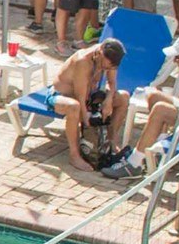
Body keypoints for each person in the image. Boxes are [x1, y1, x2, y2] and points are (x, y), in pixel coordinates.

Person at [51, 38, 132, 175]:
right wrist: (87, 121)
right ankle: (74, 155)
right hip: (64, 95)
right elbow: (80, 97)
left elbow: (112, 83)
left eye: (110, 68)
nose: (107, 69)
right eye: (106, 66)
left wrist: (108, 100)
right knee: (74, 107)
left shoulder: (111, 59)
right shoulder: (83, 61)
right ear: (100, 53)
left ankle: (111, 142)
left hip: (89, 95)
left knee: (123, 97)